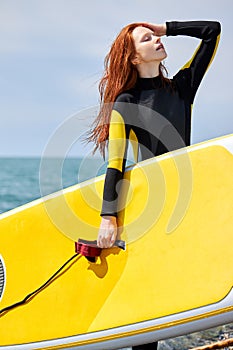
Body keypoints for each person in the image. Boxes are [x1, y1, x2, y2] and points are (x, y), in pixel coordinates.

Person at [88, 20, 221, 350]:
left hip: (190, 201)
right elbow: (115, 165)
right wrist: (109, 218)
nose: (157, 41)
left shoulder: (182, 87)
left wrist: (167, 28)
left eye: (155, 37)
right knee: (150, 296)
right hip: (154, 208)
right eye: (146, 40)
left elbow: (213, 31)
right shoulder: (125, 103)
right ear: (134, 57)